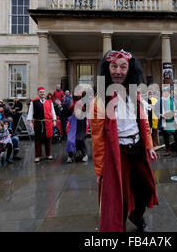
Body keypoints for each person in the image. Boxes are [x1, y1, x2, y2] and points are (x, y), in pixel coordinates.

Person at [90, 50, 158, 232]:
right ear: (107, 69)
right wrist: (99, 170)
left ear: (129, 70)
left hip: (138, 148)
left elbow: (143, 121)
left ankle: (136, 217)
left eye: (123, 67)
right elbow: (97, 138)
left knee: (147, 187)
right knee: (121, 198)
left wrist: (149, 145)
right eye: (114, 66)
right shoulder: (98, 101)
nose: (118, 71)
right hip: (118, 153)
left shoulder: (134, 93)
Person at [27, 87, 57, 163]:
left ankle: (48, 154)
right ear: (38, 93)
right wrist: (30, 122)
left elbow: (52, 112)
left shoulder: (49, 102)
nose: (42, 93)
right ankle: (37, 156)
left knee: (48, 139)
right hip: (38, 123)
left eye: (43, 92)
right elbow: (30, 112)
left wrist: (54, 120)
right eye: (41, 92)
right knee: (38, 140)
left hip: (48, 123)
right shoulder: (33, 102)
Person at [66, 92, 89, 163]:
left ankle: (85, 155)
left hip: (81, 122)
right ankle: (70, 156)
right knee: (70, 139)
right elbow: (70, 108)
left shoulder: (83, 102)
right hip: (73, 121)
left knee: (80, 139)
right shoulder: (73, 103)